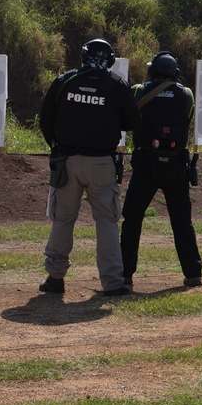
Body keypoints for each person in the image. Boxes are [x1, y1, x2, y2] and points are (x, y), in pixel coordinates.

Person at [38, 39, 142, 296]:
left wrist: (58, 144)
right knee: (106, 221)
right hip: (101, 164)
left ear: (83, 56)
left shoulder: (65, 81)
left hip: (66, 161)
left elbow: (45, 119)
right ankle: (113, 282)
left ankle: (55, 278)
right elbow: (133, 121)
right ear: (110, 60)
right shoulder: (117, 84)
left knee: (63, 219)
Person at [120, 52, 202, 289]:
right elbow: (188, 116)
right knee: (182, 222)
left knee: (132, 219)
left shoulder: (138, 91)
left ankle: (125, 274)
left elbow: (129, 115)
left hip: (146, 163)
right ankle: (193, 272)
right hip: (176, 165)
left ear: (153, 71)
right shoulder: (186, 94)